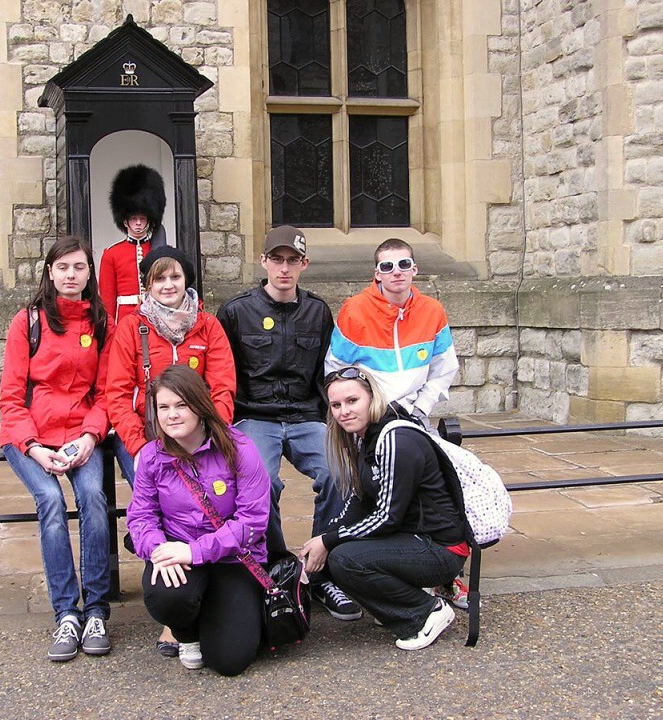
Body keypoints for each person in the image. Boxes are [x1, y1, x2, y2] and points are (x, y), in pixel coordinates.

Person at [216, 225, 361, 621]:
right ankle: (279, 566)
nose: (284, 268)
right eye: (277, 260)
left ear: (304, 264)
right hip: (255, 415)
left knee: (339, 473)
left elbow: (326, 373)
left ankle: (321, 569)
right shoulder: (236, 311)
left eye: (292, 261)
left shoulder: (317, 311)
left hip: (304, 415)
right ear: (263, 261)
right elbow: (225, 372)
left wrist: (335, 420)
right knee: (261, 481)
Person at [105, 244, 236, 657]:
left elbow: (223, 388)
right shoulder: (132, 327)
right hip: (147, 438)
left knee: (213, 502)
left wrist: (211, 436)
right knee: (159, 509)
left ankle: (213, 588)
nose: (167, 284)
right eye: (158, 278)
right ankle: (173, 613)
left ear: (186, 280)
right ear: (147, 285)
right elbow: (116, 394)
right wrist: (141, 447)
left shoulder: (208, 326)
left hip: (201, 437)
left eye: (174, 276)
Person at [0, 235, 112, 662]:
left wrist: (90, 437)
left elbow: (106, 393)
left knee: (94, 499)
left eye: (79, 267)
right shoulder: (26, 323)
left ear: (89, 273)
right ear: (50, 272)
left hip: (80, 433)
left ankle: (96, 610)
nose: (71, 275)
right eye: (63, 267)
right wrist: (32, 447)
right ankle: (67, 612)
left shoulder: (100, 323)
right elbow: (11, 398)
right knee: (49, 500)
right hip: (29, 436)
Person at [299, 367, 468, 650]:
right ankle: (396, 605)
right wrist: (320, 542)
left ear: (372, 398)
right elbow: (360, 503)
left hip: (441, 548)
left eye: (352, 401)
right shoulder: (364, 437)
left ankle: (425, 612)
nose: (344, 412)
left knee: (345, 559)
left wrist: (329, 541)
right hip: (412, 537)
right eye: (336, 405)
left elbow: (387, 517)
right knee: (336, 552)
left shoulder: (395, 439)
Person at [125, 365, 270, 676]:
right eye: (163, 407)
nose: (172, 415)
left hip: (232, 558)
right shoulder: (151, 456)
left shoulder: (239, 448)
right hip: (179, 553)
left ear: (200, 405)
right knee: (165, 595)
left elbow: (252, 521)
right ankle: (186, 634)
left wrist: (196, 551)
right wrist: (157, 550)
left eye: (181, 405)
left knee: (229, 661)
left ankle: (222, 612)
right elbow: (141, 516)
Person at [325, 238, 458, 425]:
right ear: (378, 274)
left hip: (414, 414)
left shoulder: (433, 310)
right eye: (387, 266)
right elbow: (335, 370)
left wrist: (421, 407)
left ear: (414, 269)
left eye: (404, 264)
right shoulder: (354, 310)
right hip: (368, 417)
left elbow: (445, 368)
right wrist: (359, 411)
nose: (397, 272)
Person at [98, 164, 167, 330]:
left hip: (156, 315)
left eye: (142, 218)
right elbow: (108, 300)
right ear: (125, 221)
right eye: (133, 218)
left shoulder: (160, 250)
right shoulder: (112, 254)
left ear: (149, 219)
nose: (138, 223)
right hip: (125, 317)